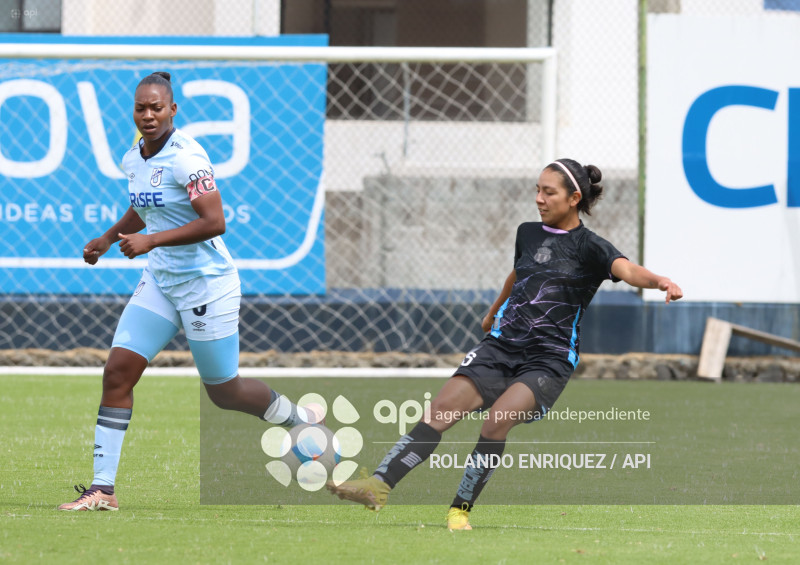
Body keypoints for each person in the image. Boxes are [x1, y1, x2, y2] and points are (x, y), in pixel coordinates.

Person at [327, 158, 683, 530]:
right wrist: (495, 309)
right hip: (501, 346)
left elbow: (627, 270)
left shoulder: (591, 247)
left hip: (548, 359)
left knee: (497, 422)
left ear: (574, 197)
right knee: (440, 411)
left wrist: (659, 281)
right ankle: (378, 486)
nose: (539, 199)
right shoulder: (527, 232)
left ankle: (459, 510)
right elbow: (519, 271)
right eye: (537, 190)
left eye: (549, 192)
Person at [58, 72, 320, 511]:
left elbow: (215, 222)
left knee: (224, 391)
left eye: (156, 107)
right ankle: (103, 489)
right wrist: (108, 237)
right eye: (141, 108)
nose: (148, 115)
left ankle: (301, 420)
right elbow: (145, 208)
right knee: (118, 373)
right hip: (160, 281)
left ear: (173, 110)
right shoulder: (134, 158)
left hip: (206, 284)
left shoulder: (188, 158)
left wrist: (151, 242)